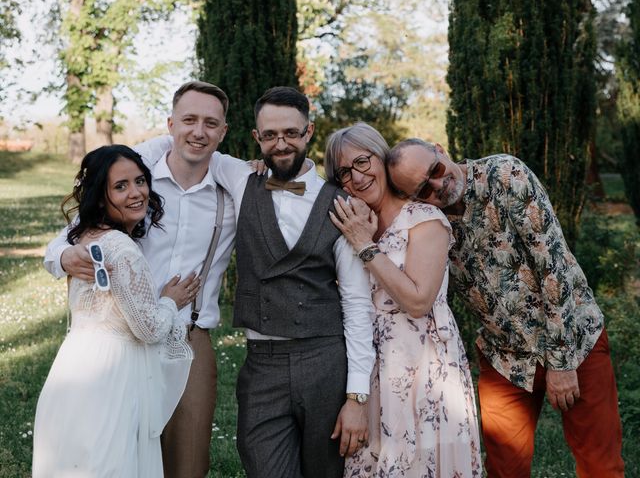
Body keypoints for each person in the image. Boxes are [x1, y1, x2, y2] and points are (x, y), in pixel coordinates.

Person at [143, 86, 376, 477]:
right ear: (256, 138)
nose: (280, 144)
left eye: (290, 133)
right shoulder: (237, 176)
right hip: (262, 364)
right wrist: (133, 157)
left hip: (325, 361)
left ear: (309, 132)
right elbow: (184, 143)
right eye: (269, 135)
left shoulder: (341, 204)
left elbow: (356, 303)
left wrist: (356, 395)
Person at [384, 139, 625, 477]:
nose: (438, 186)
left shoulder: (504, 174)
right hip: (505, 357)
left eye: (435, 171)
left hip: (573, 339)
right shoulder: (428, 221)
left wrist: (560, 362)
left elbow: (552, 267)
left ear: (440, 150)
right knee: (503, 470)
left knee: (601, 465)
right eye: (424, 189)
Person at [43, 81, 237, 477]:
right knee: (125, 452)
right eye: (189, 120)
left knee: (187, 461)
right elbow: (63, 242)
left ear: (223, 131)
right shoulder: (135, 182)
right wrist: (64, 257)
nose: (198, 132)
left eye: (210, 123)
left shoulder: (232, 191)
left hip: (189, 336)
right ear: (171, 123)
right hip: (129, 344)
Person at [323, 123, 481, 477]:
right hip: (369, 368)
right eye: (344, 172)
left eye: (362, 162)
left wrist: (365, 246)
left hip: (425, 368)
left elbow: (418, 301)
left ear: (380, 156)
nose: (357, 177)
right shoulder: (352, 221)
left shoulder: (424, 219)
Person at [33, 145, 195, 476]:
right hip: (112, 377)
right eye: (120, 186)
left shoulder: (88, 237)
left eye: (139, 181)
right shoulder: (122, 249)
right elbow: (148, 330)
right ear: (100, 196)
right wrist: (170, 300)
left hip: (74, 365)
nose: (136, 193)